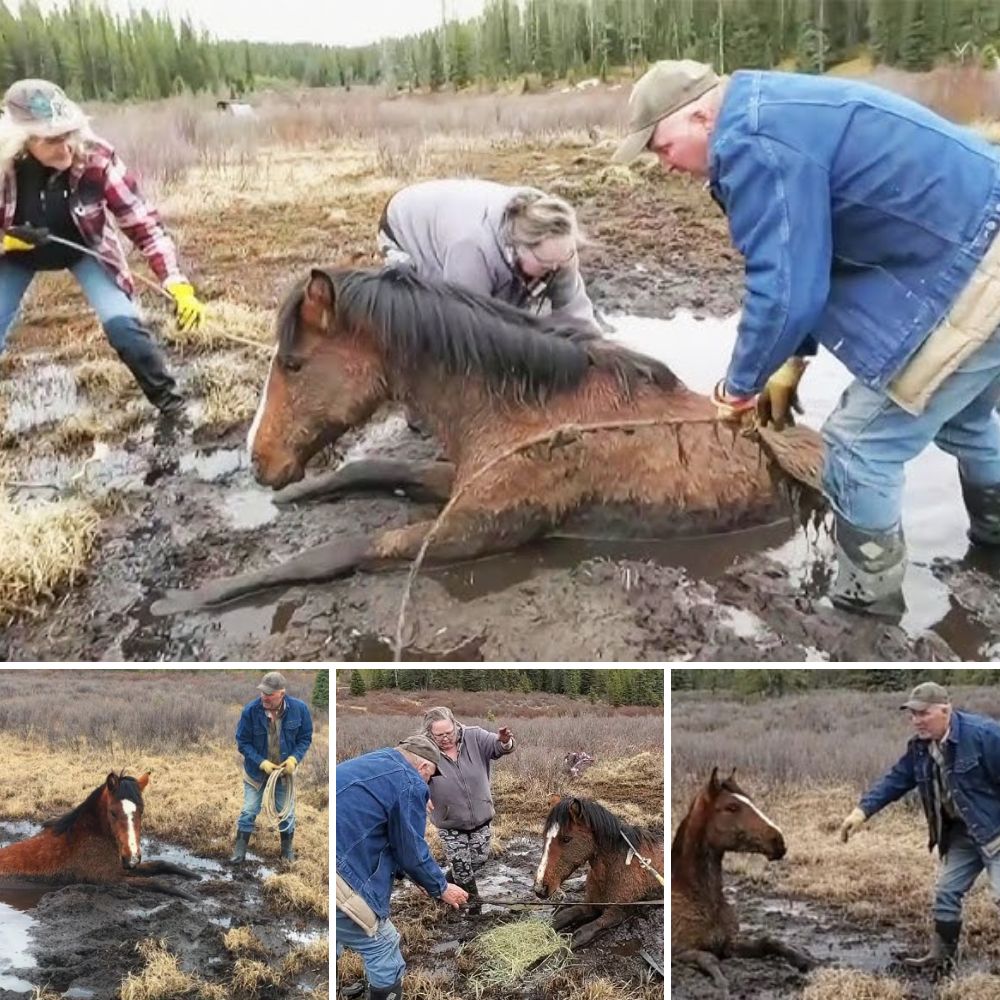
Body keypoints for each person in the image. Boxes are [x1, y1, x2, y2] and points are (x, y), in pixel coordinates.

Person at [612, 59, 1000, 616]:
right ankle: (992, 545)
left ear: (699, 115)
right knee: (963, 418)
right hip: (977, 231)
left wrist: (738, 386)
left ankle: (868, 609)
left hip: (974, 266)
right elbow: (810, 248)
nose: (662, 163)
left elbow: (786, 287)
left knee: (857, 447)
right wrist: (791, 359)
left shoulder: (752, 141)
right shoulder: (771, 108)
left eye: (660, 146)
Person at [0, 79, 205, 420]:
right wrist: (4, 241)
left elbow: (143, 222)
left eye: (69, 132)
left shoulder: (95, 157)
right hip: (14, 256)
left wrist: (177, 282)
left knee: (124, 328)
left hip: (85, 249)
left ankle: (174, 407)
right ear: (22, 141)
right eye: (52, 139)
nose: (66, 147)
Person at [839, 682, 1000, 975]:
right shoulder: (920, 749)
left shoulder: (985, 736)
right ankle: (941, 959)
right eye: (912, 714)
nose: (916, 721)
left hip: (995, 831)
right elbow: (896, 780)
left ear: (945, 710)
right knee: (946, 893)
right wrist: (861, 811)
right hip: (962, 834)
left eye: (923, 713)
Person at [336, 734, 469, 1000]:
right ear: (423, 768)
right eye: (430, 778)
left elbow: (383, 834)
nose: (428, 785)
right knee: (383, 945)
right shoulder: (410, 781)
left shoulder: (374, 761)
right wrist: (440, 887)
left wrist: (414, 877)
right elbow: (411, 849)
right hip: (341, 876)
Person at [377, 178, 599, 331]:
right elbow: (470, 325)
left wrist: (597, 355)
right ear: (519, 248)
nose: (554, 270)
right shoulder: (471, 249)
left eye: (563, 261)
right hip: (406, 227)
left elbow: (575, 311)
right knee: (427, 317)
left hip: (460, 219)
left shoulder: (557, 240)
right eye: (546, 263)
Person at [422, 706, 515, 913]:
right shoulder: (422, 749)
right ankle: (474, 908)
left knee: (478, 861)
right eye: (439, 736)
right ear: (430, 733)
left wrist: (504, 741)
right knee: (463, 871)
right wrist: (420, 793)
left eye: (449, 733)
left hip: (481, 818)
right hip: (450, 823)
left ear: (455, 725)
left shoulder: (474, 736)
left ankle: (440, 886)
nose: (445, 738)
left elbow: (499, 747)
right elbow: (410, 774)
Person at [231, 671, 313, 864]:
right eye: (262, 693)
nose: (264, 697)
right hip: (255, 774)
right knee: (249, 811)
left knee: (287, 813)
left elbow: (305, 738)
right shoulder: (250, 711)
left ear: (281, 693)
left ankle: (286, 853)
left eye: (269, 694)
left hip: (284, 774)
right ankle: (239, 853)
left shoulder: (299, 709)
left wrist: (294, 759)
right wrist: (261, 762)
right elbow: (242, 742)